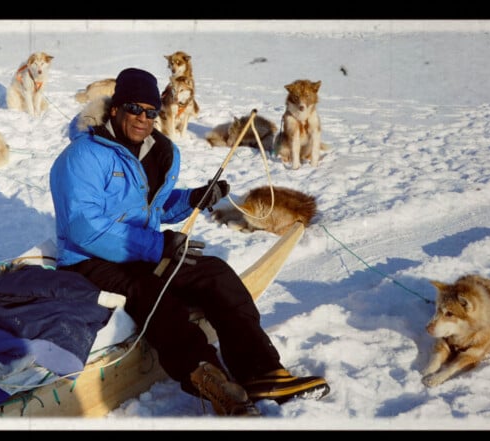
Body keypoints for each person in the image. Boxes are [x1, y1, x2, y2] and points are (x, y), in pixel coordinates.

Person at [49, 67, 329, 416]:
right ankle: (211, 379)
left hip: (138, 250)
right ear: (116, 108)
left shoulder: (152, 152)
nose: (143, 118)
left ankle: (262, 372)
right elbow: (84, 228)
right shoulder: (83, 156)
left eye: (151, 112)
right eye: (134, 108)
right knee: (153, 293)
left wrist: (192, 198)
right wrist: (157, 247)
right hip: (88, 260)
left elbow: (151, 207)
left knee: (214, 274)